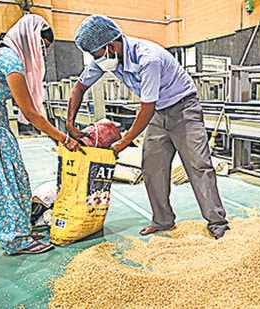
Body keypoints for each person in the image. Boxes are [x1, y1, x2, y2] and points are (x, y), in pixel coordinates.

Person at [67, 14, 229, 239]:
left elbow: (146, 108)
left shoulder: (148, 58)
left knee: (198, 165)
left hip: (183, 108)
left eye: (96, 54)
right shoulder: (108, 57)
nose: (96, 60)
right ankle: (163, 220)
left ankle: (217, 223)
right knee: (152, 167)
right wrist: (69, 123)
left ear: (111, 46)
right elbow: (79, 88)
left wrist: (123, 142)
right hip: (158, 111)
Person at [0, 14, 83, 255]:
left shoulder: (4, 54)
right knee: (0, 182)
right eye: (41, 46)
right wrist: (63, 138)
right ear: (30, 39)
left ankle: (20, 227)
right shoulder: (9, 60)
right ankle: (15, 239)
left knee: (16, 177)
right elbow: (30, 112)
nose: (41, 53)